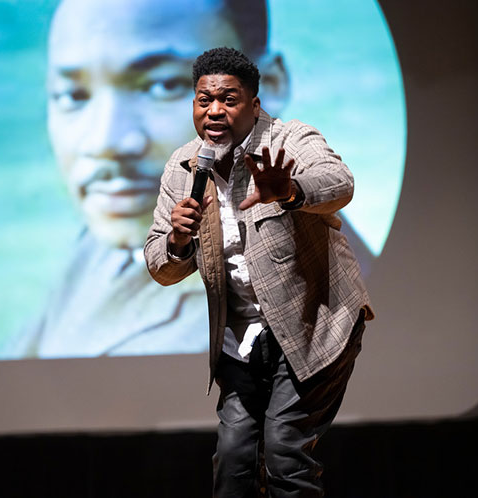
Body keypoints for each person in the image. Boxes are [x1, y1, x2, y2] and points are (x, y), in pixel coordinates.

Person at [3, 0, 373, 358]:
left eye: (163, 85)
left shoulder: (292, 298)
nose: (106, 142)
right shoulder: (106, 241)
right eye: (73, 94)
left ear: (267, 88)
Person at [145, 47, 374, 497]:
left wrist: (289, 190)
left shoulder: (290, 139)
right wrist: (177, 241)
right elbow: (160, 263)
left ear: (254, 103)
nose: (213, 111)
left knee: (286, 454)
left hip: (313, 327)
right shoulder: (183, 167)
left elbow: (338, 181)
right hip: (241, 342)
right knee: (233, 466)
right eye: (203, 99)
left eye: (228, 99)